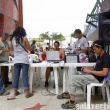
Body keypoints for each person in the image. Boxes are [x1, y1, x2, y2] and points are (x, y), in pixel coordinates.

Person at [57, 40, 110, 109]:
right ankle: (68, 93)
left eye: (95, 49)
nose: (94, 51)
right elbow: (98, 69)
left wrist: (90, 71)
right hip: (94, 75)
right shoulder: (100, 56)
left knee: (73, 79)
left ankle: (72, 103)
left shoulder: (106, 57)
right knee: (73, 70)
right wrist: (89, 69)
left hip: (98, 79)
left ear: (100, 48)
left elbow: (104, 73)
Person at [10, 27, 33, 98]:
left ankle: (15, 91)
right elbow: (30, 48)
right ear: (23, 32)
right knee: (25, 75)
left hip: (16, 60)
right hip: (24, 60)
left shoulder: (12, 39)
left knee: (15, 76)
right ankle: (26, 92)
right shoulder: (24, 38)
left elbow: (11, 50)